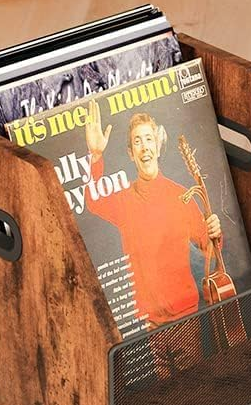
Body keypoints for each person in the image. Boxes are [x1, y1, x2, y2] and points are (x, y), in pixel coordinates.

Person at [83, 99, 222, 328]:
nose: (144, 146)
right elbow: (94, 201)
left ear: (157, 147)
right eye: (137, 141)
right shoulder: (124, 200)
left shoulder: (182, 197)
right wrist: (96, 156)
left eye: (149, 139)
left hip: (186, 317)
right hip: (150, 322)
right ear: (131, 153)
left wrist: (215, 232)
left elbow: (211, 250)